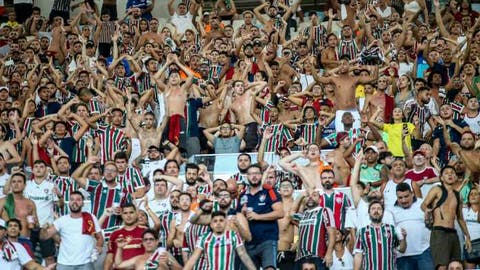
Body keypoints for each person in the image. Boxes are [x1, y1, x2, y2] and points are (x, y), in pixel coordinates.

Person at [421, 166, 472, 270]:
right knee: (442, 266)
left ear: (456, 177)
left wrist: (467, 237)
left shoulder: (458, 195)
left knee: (457, 265)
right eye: (446, 173)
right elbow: (424, 204)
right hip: (439, 232)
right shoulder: (437, 189)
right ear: (441, 178)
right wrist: (426, 210)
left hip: (453, 233)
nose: (450, 174)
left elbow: (460, 218)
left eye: (452, 173)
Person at [39, 191, 103, 270]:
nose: (74, 202)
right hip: (65, 264)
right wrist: (43, 228)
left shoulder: (90, 217)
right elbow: (44, 236)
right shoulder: (62, 220)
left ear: (83, 203)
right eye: (72, 200)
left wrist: (99, 247)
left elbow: (99, 237)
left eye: (78, 200)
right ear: (69, 203)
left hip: (86, 263)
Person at [238, 164, 284, 270]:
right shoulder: (242, 195)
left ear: (261, 175)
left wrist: (258, 216)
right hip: (249, 242)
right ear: (247, 176)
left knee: (270, 268)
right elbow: (239, 216)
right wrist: (242, 214)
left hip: (267, 239)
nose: (254, 176)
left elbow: (280, 213)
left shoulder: (269, 191)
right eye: (251, 174)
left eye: (256, 173)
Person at [183, 211, 257, 270]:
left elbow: (243, 255)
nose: (218, 223)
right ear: (211, 224)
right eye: (215, 221)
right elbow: (193, 259)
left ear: (225, 223)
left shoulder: (233, 235)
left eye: (221, 220)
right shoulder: (204, 237)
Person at [353, 200, 407, 270]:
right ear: (369, 213)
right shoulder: (362, 231)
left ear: (383, 212)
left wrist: (403, 239)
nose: (376, 211)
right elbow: (358, 255)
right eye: (373, 209)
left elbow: (402, 250)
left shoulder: (391, 229)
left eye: (379, 209)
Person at [391, 183, 434, 270]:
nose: (403, 200)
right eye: (400, 198)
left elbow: (432, 223)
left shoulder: (422, 204)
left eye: (406, 196)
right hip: (403, 256)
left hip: (424, 251)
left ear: (412, 193)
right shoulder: (392, 209)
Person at [290, 190, 336, 270]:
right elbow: (291, 214)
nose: (310, 197)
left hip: (317, 257)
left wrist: (329, 253)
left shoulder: (325, 211)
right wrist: (301, 195)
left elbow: (332, 233)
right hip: (300, 257)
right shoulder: (303, 215)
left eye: (314, 195)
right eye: (308, 196)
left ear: (320, 199)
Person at [114, 229, 182, 270]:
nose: (148, 242)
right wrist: (119, 248)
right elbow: (119, 265)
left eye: (151, 239)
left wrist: (170, 263)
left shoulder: (164, 255)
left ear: (157, 241)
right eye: (145, 240)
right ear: (142, 242)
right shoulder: (138, 259)